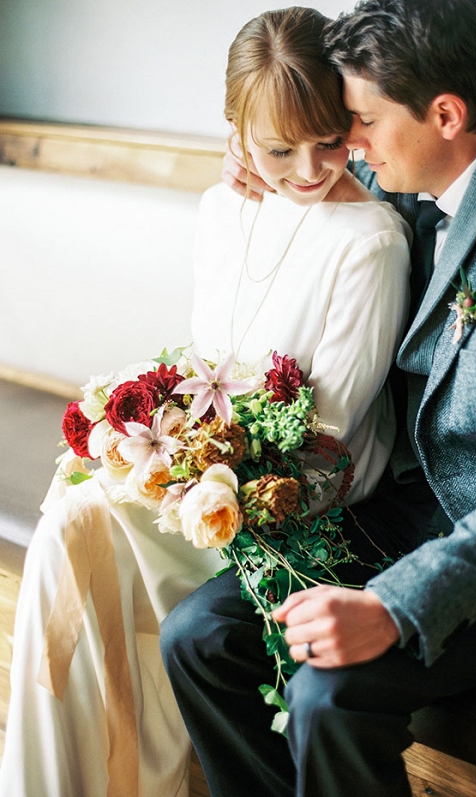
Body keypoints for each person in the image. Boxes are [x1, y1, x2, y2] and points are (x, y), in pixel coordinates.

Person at [161, 1, 476, 796]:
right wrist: (245, 156)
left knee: (326, 693)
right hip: (406, 507)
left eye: (358, 121)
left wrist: (393, 605)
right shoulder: (399, 170)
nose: (347, 146)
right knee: (197, 636)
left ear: (444, 113)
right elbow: (304, 163)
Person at [0, 7, 411, 797]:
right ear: (236, 131)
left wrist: (202, 475)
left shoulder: (371, 242)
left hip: (290, 508)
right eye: (277, 147)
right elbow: (206, 363)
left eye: (329, 139)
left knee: (80, 529)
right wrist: (154, 442)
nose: (307, 169)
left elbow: (333, 444)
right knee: (73, 520)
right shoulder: (224, 207)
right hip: (202, 481)